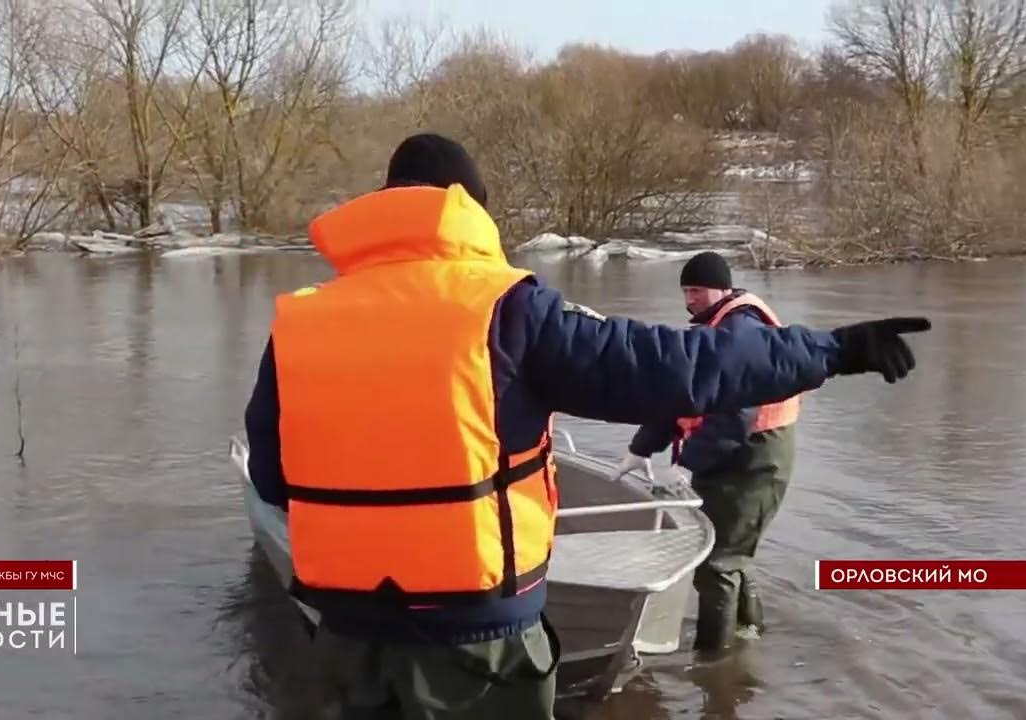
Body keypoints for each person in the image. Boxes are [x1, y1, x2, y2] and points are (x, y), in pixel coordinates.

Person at [243, 132, 929, 719]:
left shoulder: (301, 321)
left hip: (346, 641)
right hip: (477, 645)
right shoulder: (507, 311)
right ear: (469, 210)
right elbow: (675, 367)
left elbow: (273, 482)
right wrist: (831, 351)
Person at [609, 251, 804, 656]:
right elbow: (685, 398)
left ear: (723, 288)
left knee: (718, 561)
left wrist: (685, 462)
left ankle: (713, 663)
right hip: (733, 455)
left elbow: (737, 415)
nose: (690, 299)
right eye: (685, 290)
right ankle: (748, 635)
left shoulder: (744, 332)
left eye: (696, 289)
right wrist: (640, 448)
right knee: (734, 552)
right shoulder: (719, 329)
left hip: (755, 458)